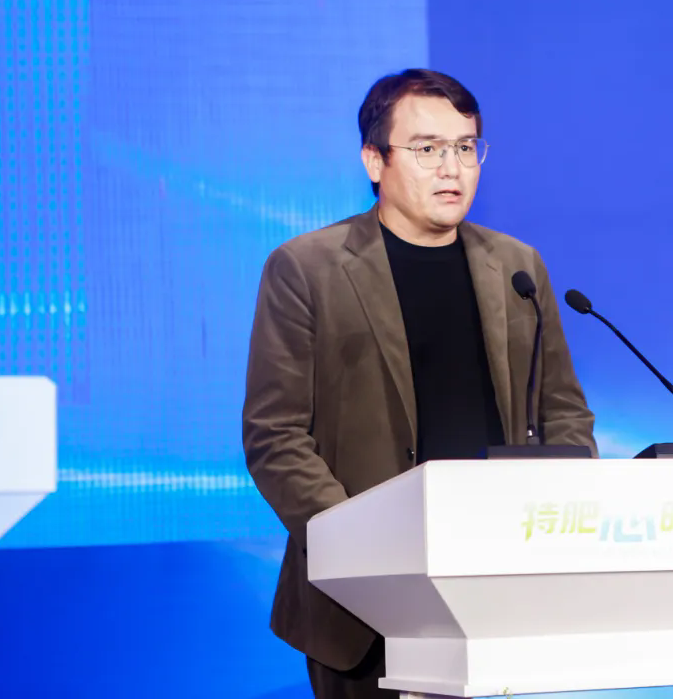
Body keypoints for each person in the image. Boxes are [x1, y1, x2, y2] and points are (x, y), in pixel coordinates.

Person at [241, 68, 597, 699]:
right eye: (428, 148)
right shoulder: (307, 269)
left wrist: (558, 522)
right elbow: (276, 437)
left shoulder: (517, 266)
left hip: (501, 586)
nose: (451, 169)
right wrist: (363, 548)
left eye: (465, 147)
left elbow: (563, 411)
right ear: (374, 160)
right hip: (363, 603)